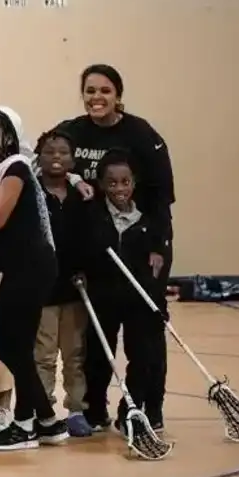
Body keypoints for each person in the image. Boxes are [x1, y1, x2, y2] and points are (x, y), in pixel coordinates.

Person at [0, 109, 68, 451]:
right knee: (18, 348)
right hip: (18, 266)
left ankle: (42, 421)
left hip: (31, 265)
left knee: (7, 346)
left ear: (10, 137)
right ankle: (39, 423)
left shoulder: (16, 167)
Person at [55, 63, 176, 281]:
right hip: (90, 241)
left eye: (105, 91)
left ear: (118, 95)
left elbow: (162, 194)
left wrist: (158, 245)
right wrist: (73, 179)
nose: (96, 97)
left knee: (142, 310)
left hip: (135, 239)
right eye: (90, 91)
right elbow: (42, 164)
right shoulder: (70, 131)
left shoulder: (141, 133)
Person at [77, 149, 168, 433]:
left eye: (125, 182)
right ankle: (95, 408)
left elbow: (155, 258)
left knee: (141, 356)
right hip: (102, 297)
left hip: (135, 300)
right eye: (112, 182)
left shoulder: (145, 222)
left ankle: (130, 409)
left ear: (134, 183)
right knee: (97, 356)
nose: (119, 188)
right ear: (102, 184)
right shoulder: (93, 215)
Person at [34, 129, 91, 437]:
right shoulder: (32, 193)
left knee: (75, 352)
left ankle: (77, 408)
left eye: (63, 152)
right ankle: (44, 409)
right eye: (49, 152)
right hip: (43, 289)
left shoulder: (82, 196)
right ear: (39, 157)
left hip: (74, 287)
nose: (56, 157)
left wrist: (85, 270)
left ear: (73, 159)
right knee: (43, 354)